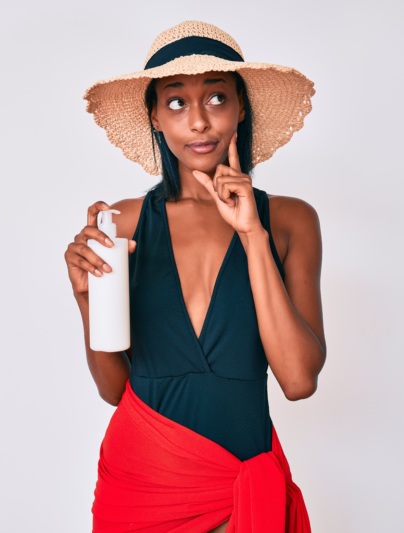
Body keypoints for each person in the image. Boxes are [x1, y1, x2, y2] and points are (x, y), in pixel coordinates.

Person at [64, 21, 326, 532]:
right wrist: (86, 300)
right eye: (178, 102)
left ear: (241, 107)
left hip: (239, 484)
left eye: (217, 98)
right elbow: (116, 391)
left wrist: (252, 235)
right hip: (141, 486)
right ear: (156, 117)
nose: (199, 122)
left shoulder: (291, 222)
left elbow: (297, 381)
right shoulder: (126, 222)